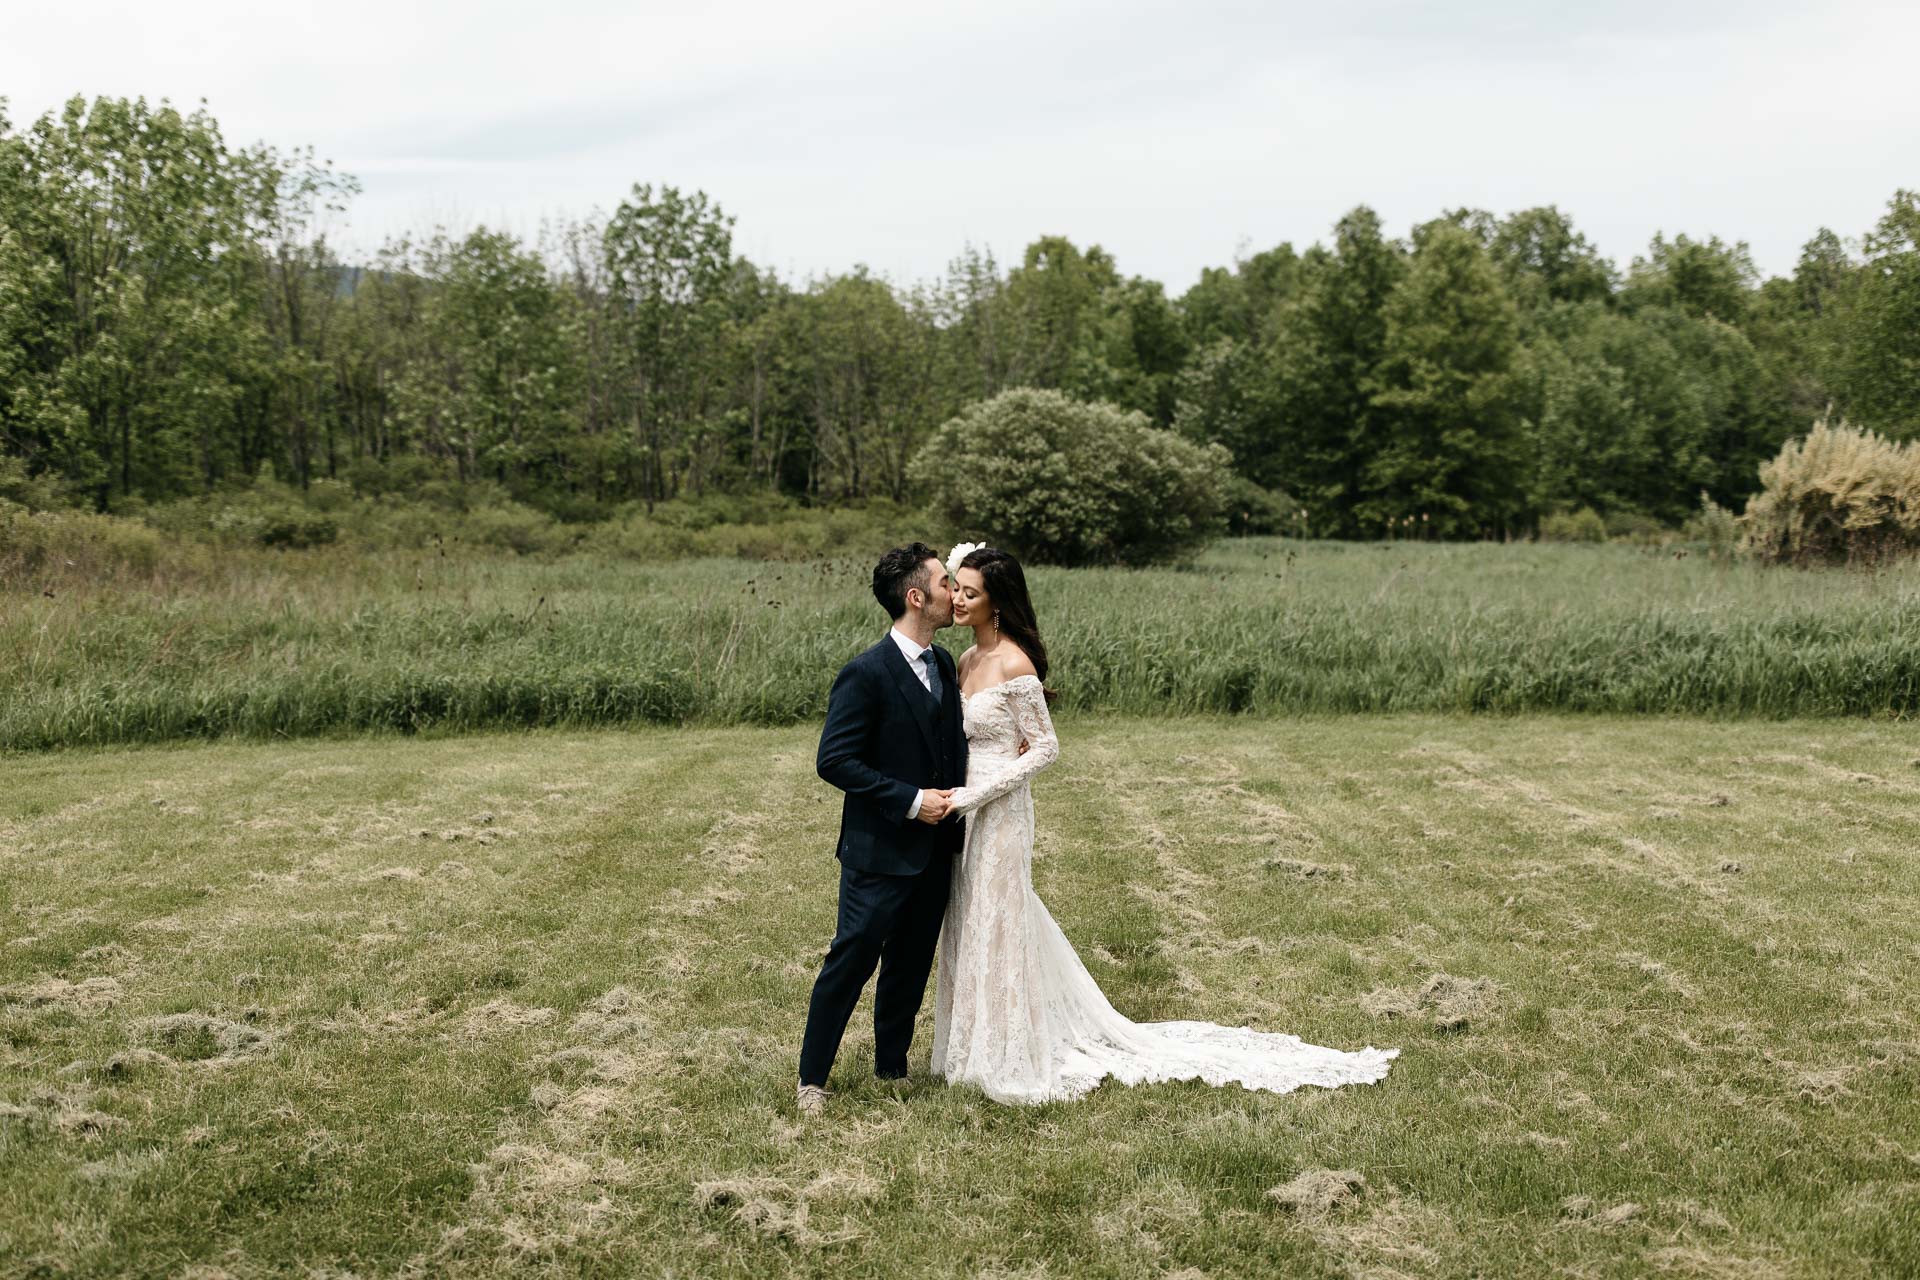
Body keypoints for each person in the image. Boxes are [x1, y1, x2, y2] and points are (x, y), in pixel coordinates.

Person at [930, 544, 1399, 1104]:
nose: (957, 599)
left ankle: (1010, 1048)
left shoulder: (1013, 662)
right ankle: (973, 1043)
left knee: (1001, 915)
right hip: (963, 805)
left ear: (998, 603)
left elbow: (1047, 748)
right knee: (971, 914)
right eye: (956, 587)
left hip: (999, 808)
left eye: (970, 592)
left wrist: (979, 792)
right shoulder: (963, 661)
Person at [797, 543, 967, 1116]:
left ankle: (891, 1066)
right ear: (916, 597)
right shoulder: (865, 673)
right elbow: (834, 760)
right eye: (945, 582)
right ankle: (812, 1079)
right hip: (878, 849)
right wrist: (909, 800)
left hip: (936, 851)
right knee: (852, 958)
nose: (955, 592)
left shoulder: (945, 664)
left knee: (911, 962)